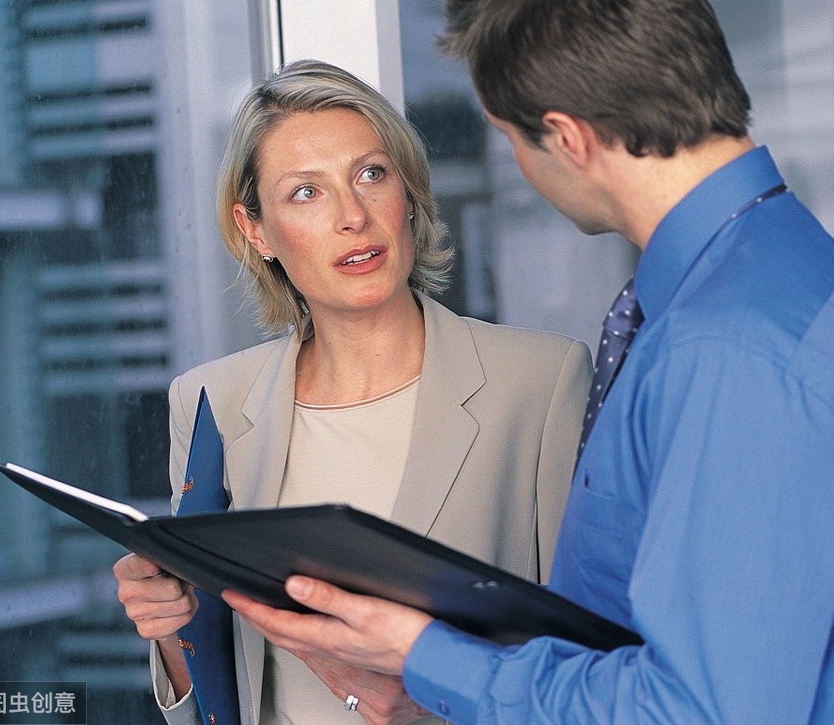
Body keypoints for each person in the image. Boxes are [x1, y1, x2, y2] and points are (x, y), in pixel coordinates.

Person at [222, 0, 834, 723]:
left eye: (509, 137)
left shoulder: (728, 349)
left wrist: (429, 660)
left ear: (566, 138)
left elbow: (694, 713)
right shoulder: (791, 267)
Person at [113, 59, 593, 725]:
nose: (353, 217)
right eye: (306, 193)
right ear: (256, 229)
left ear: (408, 191)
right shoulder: (210, 402)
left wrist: (440, 703)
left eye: (371, 174)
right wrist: (168, 627)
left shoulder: (540, 383)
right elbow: (216, 692)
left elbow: (589, 663)